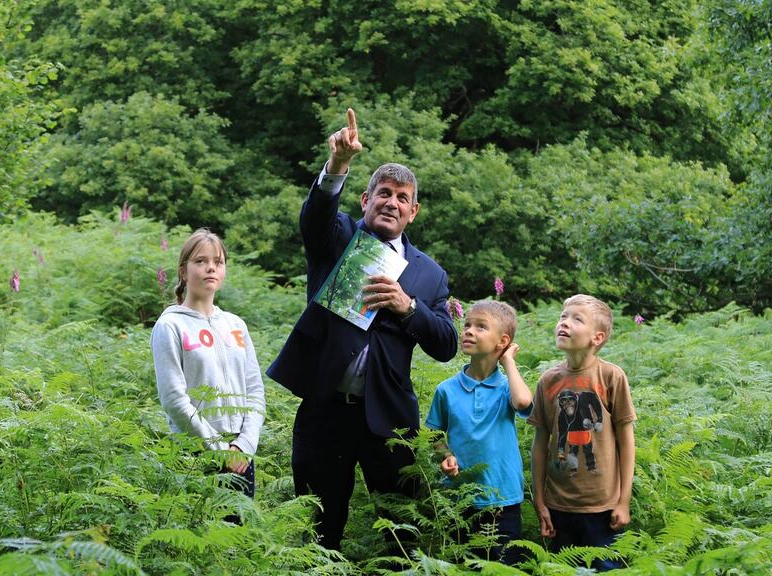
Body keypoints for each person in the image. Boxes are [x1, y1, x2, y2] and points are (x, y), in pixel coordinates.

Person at [266, 108, 458, 550]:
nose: (391, 202)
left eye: (401, 197)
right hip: (324, 410)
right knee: (319, 528)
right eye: (383, 193)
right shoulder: (336, 239)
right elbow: (315, 216)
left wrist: (408, 308)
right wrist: (337, 164)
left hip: (390, 419)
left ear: (413, 211)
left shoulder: (429, 274)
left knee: (401, 533)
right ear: (365, 200)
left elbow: (446, 344)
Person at [151, 228, 266, 498]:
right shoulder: (170, 326)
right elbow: (173, 399)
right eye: (200, 261)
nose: (210, 268)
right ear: (183, 271)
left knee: (239, 538)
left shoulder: (236, 325)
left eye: (218, 262)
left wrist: (244, 445)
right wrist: (217, 452)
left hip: (240, 457)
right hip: (195, 456)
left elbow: (255, 391)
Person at [529, 294, 636, 572]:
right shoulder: (548, 381)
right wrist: (539, 500)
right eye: (563, 316)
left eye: (577, 319)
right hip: (558, 507)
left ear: (597, 337)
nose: (564, 323)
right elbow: (540, 444)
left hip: (602, 509)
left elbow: (626, 442)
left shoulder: (612, 377)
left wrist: (624, 501)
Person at [424, 300, 533, 565]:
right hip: (460, 498)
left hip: (502, 498)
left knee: (504, 567)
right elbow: (434, 435)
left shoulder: (507, 387)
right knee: (464, 566)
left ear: (502, 341)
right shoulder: (447, 390)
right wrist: (445, 455)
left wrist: (508, 362)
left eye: (481, 327)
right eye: (468, 324)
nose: (469, 331)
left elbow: (522, 403)